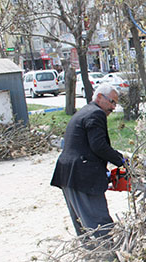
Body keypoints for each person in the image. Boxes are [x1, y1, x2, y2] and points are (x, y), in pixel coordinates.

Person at [51, 84, 125, 244]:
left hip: (68, 174)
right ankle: (107, 258)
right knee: (99, 222)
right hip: (82, 176)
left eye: (115, 104)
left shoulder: (85, 111)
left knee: (82, 222)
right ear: (99, 97)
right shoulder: (96, 114)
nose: (113, 107)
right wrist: (122, 161)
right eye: (111, 102)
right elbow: (98, 146)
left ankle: (92, 256)